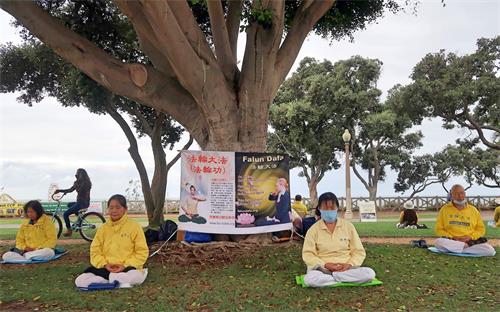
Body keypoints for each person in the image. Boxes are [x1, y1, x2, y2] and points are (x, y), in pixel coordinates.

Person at [302, 192, 376, 287]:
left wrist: (349, 264)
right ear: (319, 209)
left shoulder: (348, 226)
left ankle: (335, 278)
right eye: (325, 208)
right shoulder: (313, 230)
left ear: (337, 208)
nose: (329, 211)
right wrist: (325, 265)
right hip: (322, 270)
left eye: (332, 208)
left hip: (346, 268)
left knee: (369, 273)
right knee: (310, 279)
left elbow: (358, 251)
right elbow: (308, 255)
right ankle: (341, 278)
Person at [75, 194, 149, 288]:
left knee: (136, 277)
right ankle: (115, 281)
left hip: (127, 268)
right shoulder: (103, 228)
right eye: (111, 208)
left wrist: (125, 265)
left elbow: (142, 252)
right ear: (108, 210)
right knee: (80, 281)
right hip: (105, 268)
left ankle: (107, 281)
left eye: (118, 207)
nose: (114, 211)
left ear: (125, 209)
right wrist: (105, 264)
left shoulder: (134, 227)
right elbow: (95, 251)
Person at [434, 184, 496, 256]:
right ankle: (464, 248)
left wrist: (470, 237)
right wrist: (452, 237)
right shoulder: (444, 209)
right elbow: (439, 229)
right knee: (438, 242)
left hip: (469, 240)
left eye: (462, 193)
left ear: (465, 194)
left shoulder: (473, 210)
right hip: (452, 240)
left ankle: (456, 249)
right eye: (457, 194)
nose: (460, 196)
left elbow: (481, 229)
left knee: (489, 250)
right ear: (451, 195)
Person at [54, 168, 92, 237]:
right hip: (80, 202)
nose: (76, 175)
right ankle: (79, 220)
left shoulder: (86, 183)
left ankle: (69, 230)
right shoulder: (78, 182)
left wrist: (76, 184)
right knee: (69, 205)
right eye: (76, 174)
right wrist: (60, 190)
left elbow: (81, 191)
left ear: (81, 175)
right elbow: (71, 190)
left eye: (78, 174)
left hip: (82, 203)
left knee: (65, 214)